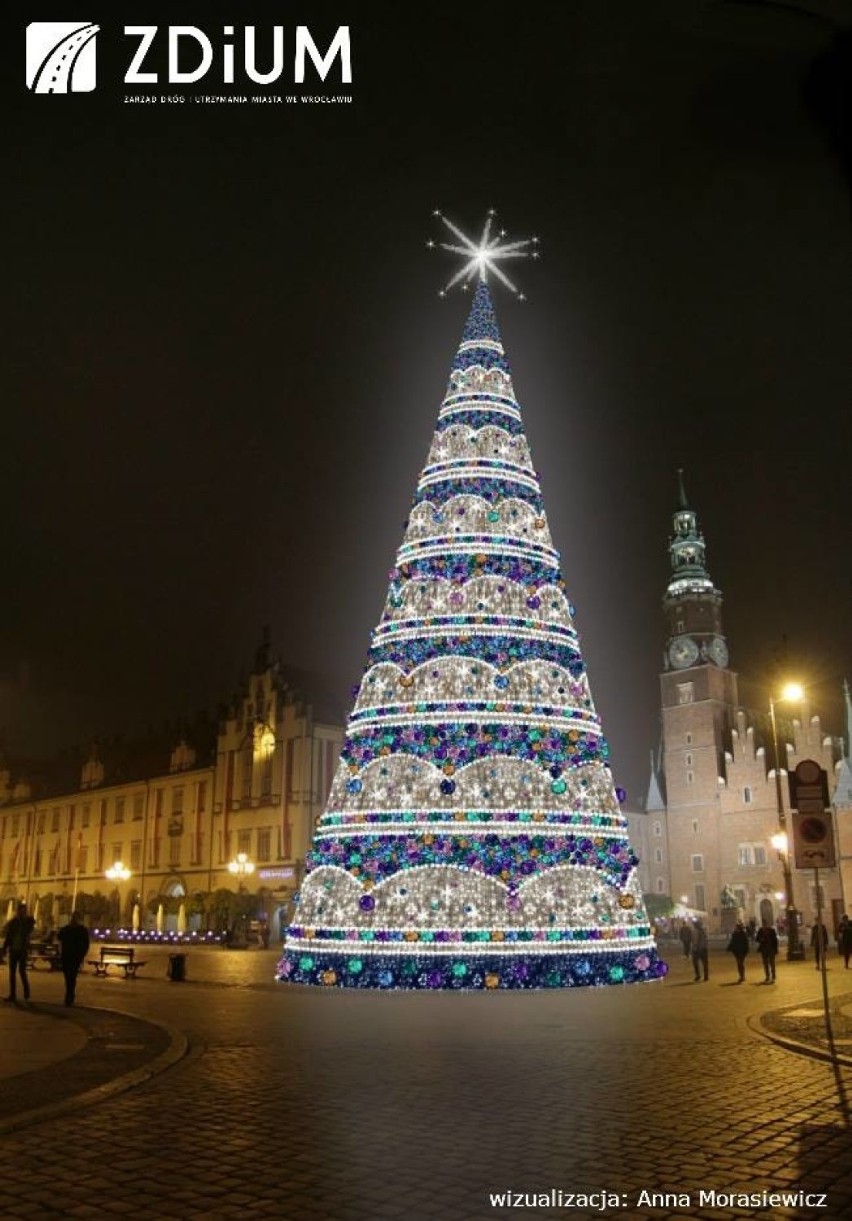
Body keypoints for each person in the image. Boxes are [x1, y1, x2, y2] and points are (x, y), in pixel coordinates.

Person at [3, 901, 35, 1003]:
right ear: (17, 911)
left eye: (23, 911)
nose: (21, 912)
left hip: (22, 950)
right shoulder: (13, 923)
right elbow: (8, 936)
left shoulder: (27, 922)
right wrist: (4, 948)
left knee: (22, 970)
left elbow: (31, 926)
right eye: (20, 910)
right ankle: (12, 994)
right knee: (12, 973)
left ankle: (26, 990)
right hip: (13, 950)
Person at [58, 911, 91, 1007]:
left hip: (74, 957)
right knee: (68, 977)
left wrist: (81, 955)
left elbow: (85, 944)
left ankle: (69, 995)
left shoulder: (81, 930)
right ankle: (69, 994)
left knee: (71, 977)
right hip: (67, 956)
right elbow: (59, 937)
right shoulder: (67, 929)